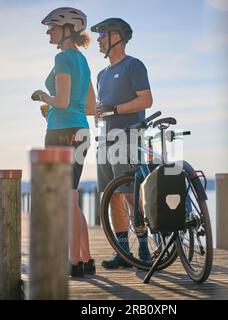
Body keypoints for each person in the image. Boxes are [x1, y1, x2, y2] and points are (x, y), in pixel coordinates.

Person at [31, 7, 96, 277]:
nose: (48, 32)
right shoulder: (83, 61)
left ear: (67, 29)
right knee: (71, 199)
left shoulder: (63, 59)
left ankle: (72, 262)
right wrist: (57, 106)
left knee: (65, 199)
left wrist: (43, 97)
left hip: (61, 132)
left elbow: (63, 100)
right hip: (80, 130)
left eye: (52, 27)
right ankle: (85, 259)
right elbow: (91, 107)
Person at [90, 18, 154, 269]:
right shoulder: (101, 74)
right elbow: (103, 109)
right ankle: (123, 253)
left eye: (102, 34)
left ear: (117, 37)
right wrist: (99, 112)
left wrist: (114, 109)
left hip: (128, 138)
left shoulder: (133, 66)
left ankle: (144, 249)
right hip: (105, 140)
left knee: (128, 194)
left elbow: (146, 100)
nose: (98, 39)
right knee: (110, 196)